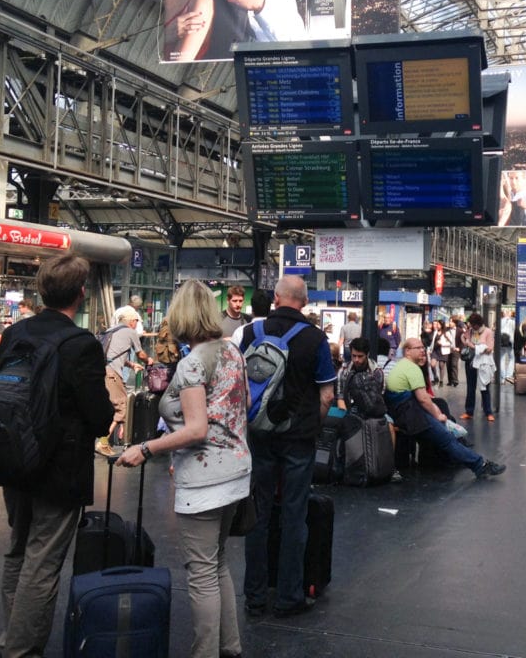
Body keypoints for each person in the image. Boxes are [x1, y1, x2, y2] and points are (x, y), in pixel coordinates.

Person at [118, 280, 251, 658]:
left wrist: (145, 448)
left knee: (202, 573)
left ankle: (205, 652)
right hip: (237, 472)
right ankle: (230, 646)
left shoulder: (193, 363)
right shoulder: (232, 351)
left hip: (206, 480)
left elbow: (196, 428)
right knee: (218, 563)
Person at [0, 253, 114, 657]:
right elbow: (97, 417)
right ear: (81, 293)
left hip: (13, 457)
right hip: (59, 470)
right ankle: (22, 650)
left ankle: (11, 636)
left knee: (18, 547)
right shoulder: (81, 344)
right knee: (43, 561)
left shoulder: (16, 333)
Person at [239, 275, 336, 619]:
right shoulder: (315, 338)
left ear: (276, 298)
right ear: (305, 302)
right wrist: (313, 425)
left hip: (259, 436)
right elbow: (327, 394)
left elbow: (240, 386)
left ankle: (254, 596)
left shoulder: (251, 334)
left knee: (258, 514)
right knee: (295, 515)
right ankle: (289, 597)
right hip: (298, 439)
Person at [384, 338, 505, 479]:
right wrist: (438, 415)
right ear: (408, 351)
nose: (423, 350)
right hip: (410, 416)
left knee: (445, 434)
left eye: (423, 347)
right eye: (418, 348)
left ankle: (478, 463)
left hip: (402, 412)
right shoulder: (412, 369)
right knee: (447, 438)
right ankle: (480, 465)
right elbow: (423, 399)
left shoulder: (401, 365)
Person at [97, 305, 151, 457]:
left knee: (107, 407)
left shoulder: (110, 330)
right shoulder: (130, 332)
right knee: (121, 407)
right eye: (136, 321)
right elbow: (140, 354)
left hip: (102, 372)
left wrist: (131, 364)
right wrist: (149, 360)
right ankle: (103, 442)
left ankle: (101, 439)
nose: (136, 324)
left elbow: (113, 355)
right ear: (131, 321)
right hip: (112, 375)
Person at [335, 337, 385, 419]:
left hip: (371, 414)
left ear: (367, 354)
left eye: (360, 356)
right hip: (348, 412)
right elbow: (340, 397)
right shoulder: (344, 371)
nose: (356, 359)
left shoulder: (377, 372)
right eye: (353, 356)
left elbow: (378, 400)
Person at [463, 313, 496, 421]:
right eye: (472, 325)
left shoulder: (487, 332)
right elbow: (463, 337)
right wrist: (467, 342)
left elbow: (489, 349)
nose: (473, 327)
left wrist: (472, 345)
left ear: (479, 323)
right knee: (470, 387)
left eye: (474, 325)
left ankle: (488, 412)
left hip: (483, 363)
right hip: (471, 361)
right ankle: (469, 411)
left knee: (485, 387)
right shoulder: (471, 331)